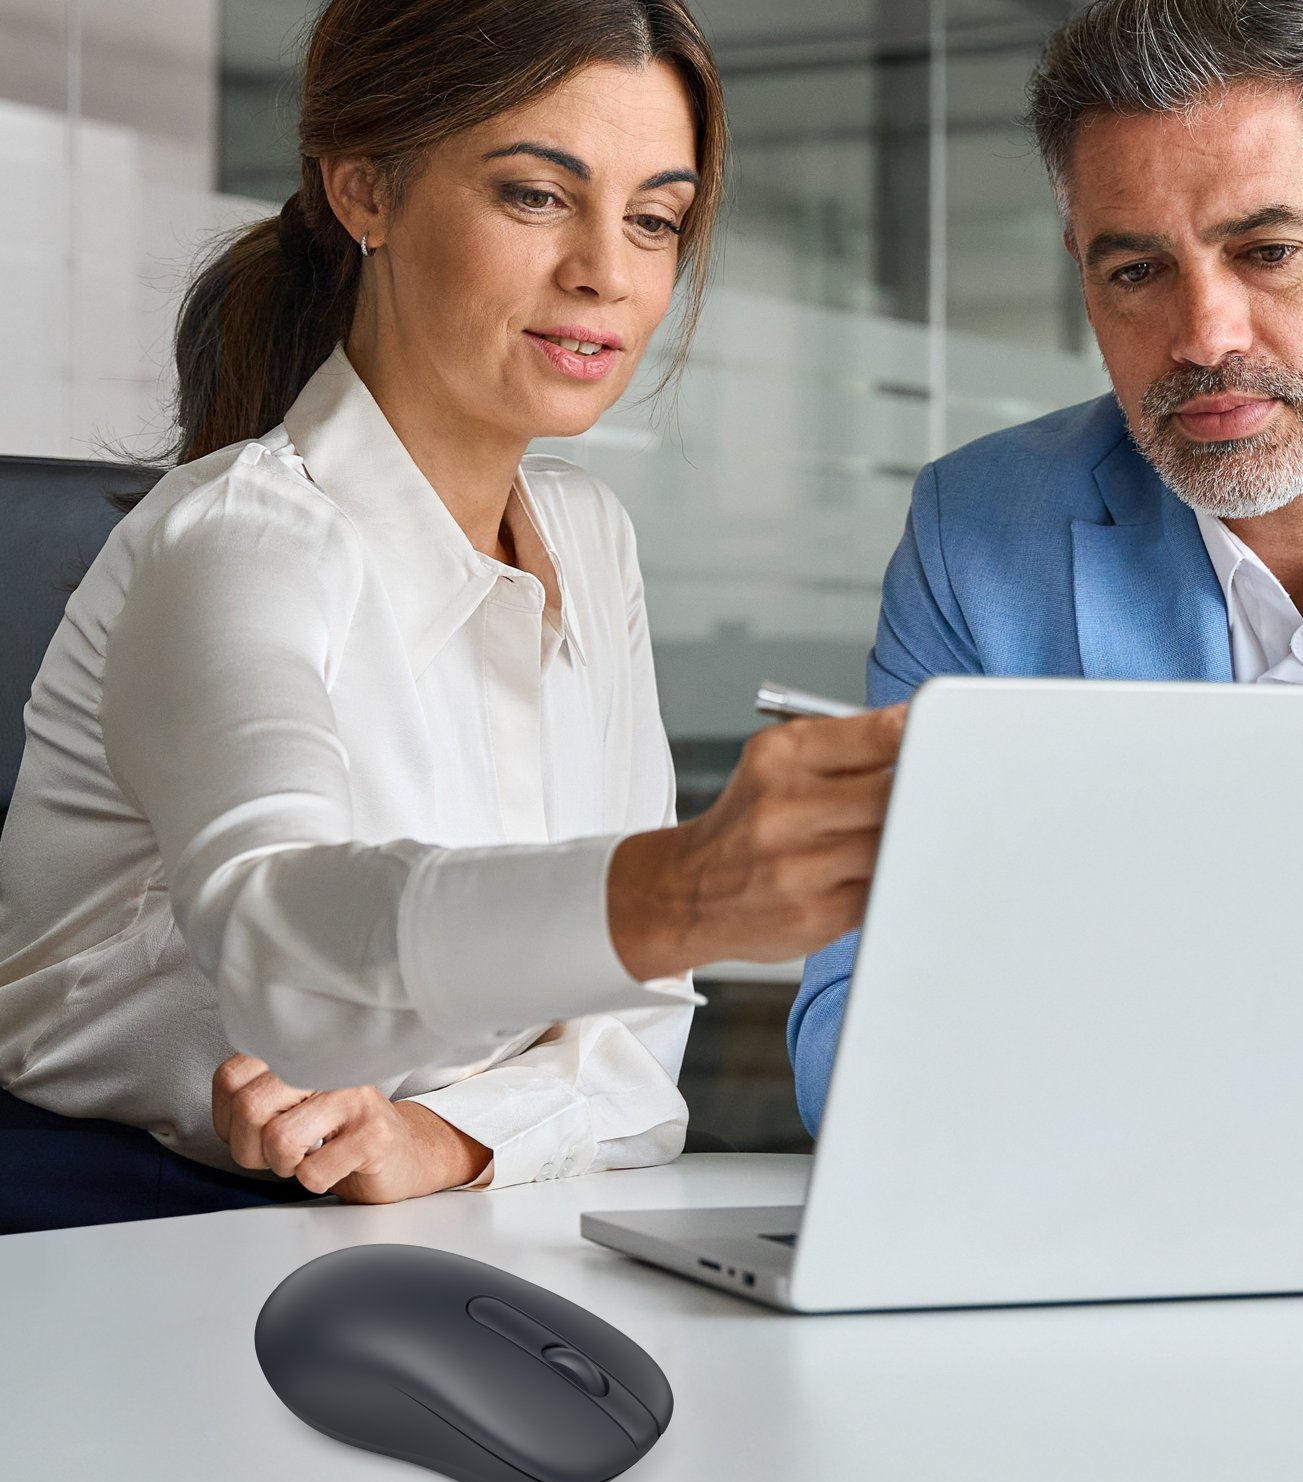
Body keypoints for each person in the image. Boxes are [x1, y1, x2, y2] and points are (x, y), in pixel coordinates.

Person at [0, 0, 904, 1227]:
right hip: (114, 1233)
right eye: (537, 194)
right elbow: (280, 953)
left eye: (654, 219)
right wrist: (681, 891)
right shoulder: (235, 543)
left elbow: (634, 1060)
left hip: (422, 1216)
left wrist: (446, 1136)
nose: (607, 272)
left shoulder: (588, 537)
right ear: (364, 192)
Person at [789, 0, 1303, 1135]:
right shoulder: (978, 534)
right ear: (1081, 272)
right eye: (1136, 271)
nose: (1206, 335)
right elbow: (858, 1037)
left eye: (1267, 252)